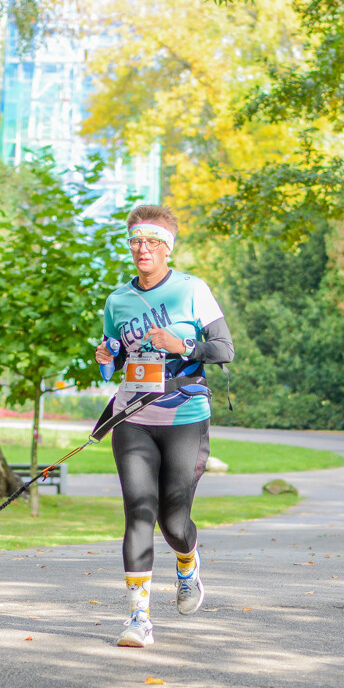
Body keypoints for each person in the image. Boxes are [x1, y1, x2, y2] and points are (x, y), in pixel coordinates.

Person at [94, 204, 234, 648]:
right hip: (132, 416)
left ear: (167, 248)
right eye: (135, 240)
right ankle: (139, 618)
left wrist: (183, 344)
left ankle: (187, 562)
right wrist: (106, 357)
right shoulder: (117, 300)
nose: (142, 249)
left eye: (152, 241)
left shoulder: (192, 290)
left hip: (185, 417)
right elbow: (116, 356)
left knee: (174, 523)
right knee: (139, 511)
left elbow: (224, 348)